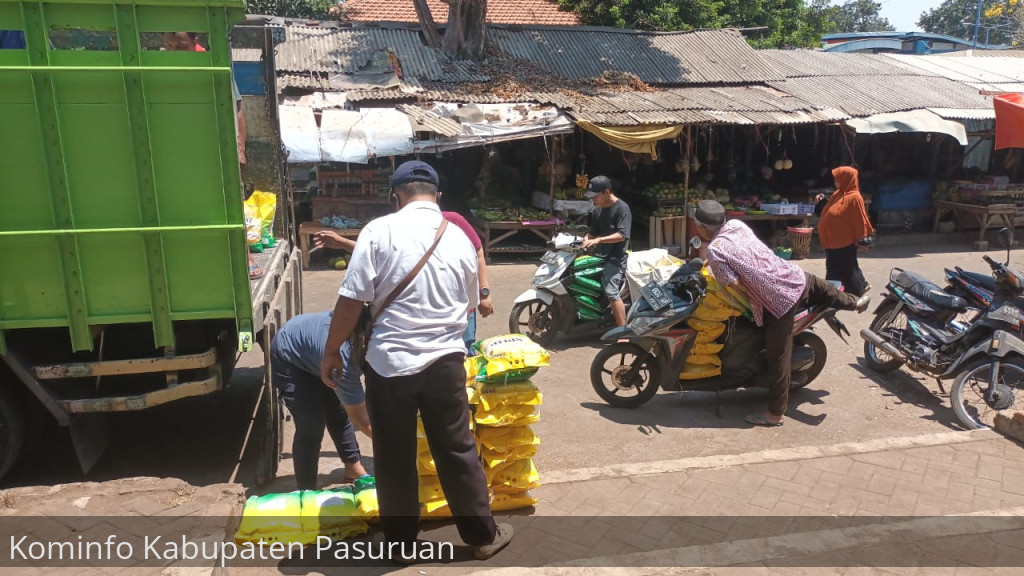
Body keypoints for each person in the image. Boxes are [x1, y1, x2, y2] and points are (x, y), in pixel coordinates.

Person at [319, 160, 512, 562]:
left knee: (393, 455)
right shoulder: (459, 237)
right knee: (458, 450)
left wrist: (332, 348)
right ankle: (482, 536)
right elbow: (471, 300)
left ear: (396, 195)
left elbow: (352, 299)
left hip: (390, 366)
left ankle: (401, 544)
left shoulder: (379, 230)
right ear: (437, 195)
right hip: (446, 361)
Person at [692, 200, 871, 427]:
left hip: (779, 300)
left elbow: (733, 283)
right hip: (792, 275)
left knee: (778, 356)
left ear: (701, 228)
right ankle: (855, 303)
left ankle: (775, 413)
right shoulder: (736, 225)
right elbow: (741, 251)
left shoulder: (715, 249)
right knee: (817, 284)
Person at [314, 209, 493, 354]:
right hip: (419, 316)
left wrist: (484, 293)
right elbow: (381, 254)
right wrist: (343, 243)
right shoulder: (398, 227)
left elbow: (477, 252)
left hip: (459, 310)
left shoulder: (453, 220)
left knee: (465, 351)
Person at [163, 32, 256, 278]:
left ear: (194, 40)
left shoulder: (214, 64)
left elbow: (237, 110)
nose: (173, 49)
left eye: (179, 45)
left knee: (230, 202)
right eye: (169, 44)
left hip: (216, 146)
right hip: (178, 147)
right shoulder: (160, 64)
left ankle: (245, 257)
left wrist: (240, 148)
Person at [271, 311, 368, 490]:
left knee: (338, 412)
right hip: (290, 354)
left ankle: (353, 468)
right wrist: (396, 443)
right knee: (311, 425)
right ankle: (306, 489)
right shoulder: (346, 359)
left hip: (319, 353)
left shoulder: (372, 346)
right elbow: (361, 418)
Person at [581, 175, 632, 327]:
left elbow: (622, 235)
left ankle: (623, 332)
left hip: (616, 258)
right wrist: (586, 239)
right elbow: (592, 231)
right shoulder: (598, 210)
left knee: (611, 292)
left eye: (595, 196)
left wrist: (598, 240)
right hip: (598, 255)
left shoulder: (622, 209)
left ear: (607, 192)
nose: (593, 200)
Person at [816, 166, 874, 297]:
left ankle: (834, 293)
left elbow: (859, 219)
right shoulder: (839, 193)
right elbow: (833, 209)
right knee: (845, 267)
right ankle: (858, 287)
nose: (835, 181)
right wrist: (822, 201)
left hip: (844, 240)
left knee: (842, 268)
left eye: (838, 179)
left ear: (846, 179)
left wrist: (862, 239)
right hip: (834, 239)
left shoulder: (854, 197)